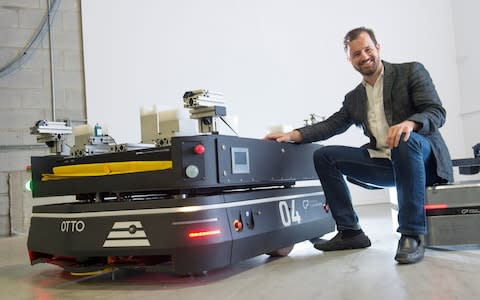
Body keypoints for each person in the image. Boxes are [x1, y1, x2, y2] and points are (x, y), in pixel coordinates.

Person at [265, 27, 453, 264]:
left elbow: (436, 112)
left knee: (404, 141)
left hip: (422, 160)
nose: (364, 56)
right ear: (349, 59)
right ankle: (350, 231)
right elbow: (332, 125)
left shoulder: (410, 71)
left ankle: (411, 234)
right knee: (324, 156)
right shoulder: (354, 98)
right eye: (356, 53)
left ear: (378, 48)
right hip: (386, 164)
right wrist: (292, 135)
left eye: (367, 49)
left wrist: (410, 124)